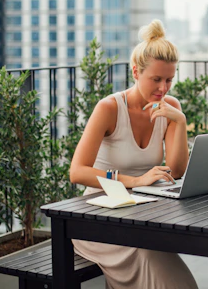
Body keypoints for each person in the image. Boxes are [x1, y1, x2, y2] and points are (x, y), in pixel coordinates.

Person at [69, 20, 198, 289]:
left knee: (158, 257)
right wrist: (135, 181)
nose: (163, 88)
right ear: (136, 72)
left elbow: (176, 170)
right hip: (98, 216)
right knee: (154, 261)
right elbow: (77, 171)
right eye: (156, 79)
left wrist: (181, 121)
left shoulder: (170, 107)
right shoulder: (109, 108)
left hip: (142, 213)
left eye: (169, 80)